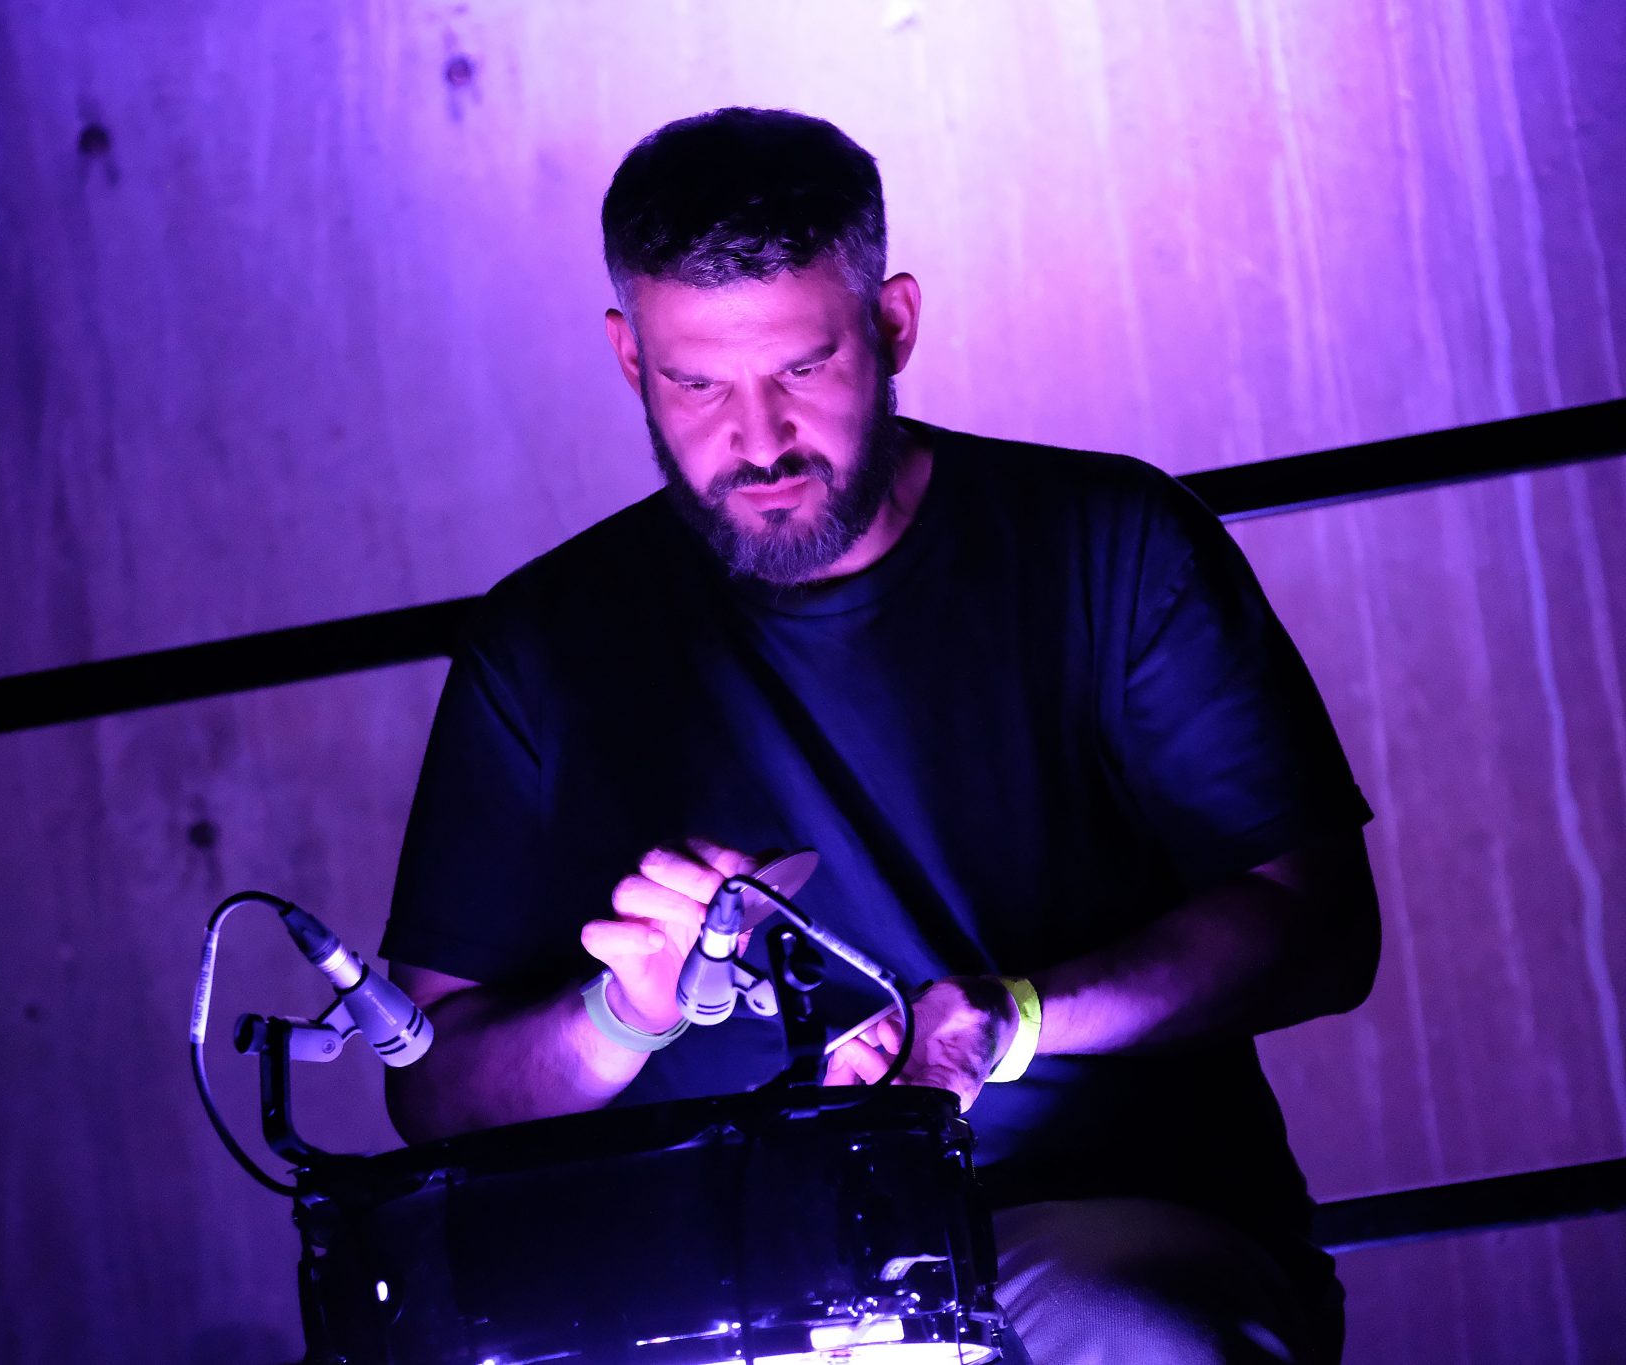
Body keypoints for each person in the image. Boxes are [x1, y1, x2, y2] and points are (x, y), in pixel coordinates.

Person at [378, 106, 1380, 1365]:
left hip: (1080, 1235)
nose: (755, 442)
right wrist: (615, 1021)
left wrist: (1012, 1018)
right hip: (702, 1292)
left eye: (802, 368)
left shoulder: (1109, 543)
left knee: (1135, 1339)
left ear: (891, 326)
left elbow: (1319, 929)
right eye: (695, 382)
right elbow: (431, 1091)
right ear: (629, 360)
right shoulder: (540, 643)